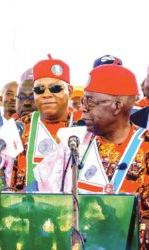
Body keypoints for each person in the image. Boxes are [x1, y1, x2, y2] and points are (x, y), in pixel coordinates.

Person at [34, 61, 149, 248]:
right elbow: (37, 192)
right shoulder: (74, 143)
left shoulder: (145, 148)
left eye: (90, 101)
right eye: (82, 101)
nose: (83, 108)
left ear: (117, 106)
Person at [12, 54, 82, 190]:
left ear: (70, 91)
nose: (46, 94)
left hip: (73, 209)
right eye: (39, 89)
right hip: (24, 209)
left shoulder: (84, 127)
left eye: (55, 88)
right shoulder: (19, 128)